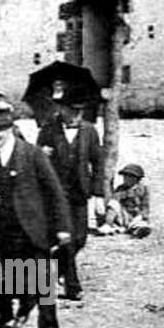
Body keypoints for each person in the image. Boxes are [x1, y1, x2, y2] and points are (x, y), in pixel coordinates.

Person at [0, 96, 71, 328]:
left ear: (10, 130)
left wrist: (62, 227)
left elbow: (55, 192)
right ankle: (18, 309)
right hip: (4, 230)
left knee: (42, 281)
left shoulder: (32, 154)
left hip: (34, 229)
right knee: (11, 277)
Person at [35, 92, 105, 301]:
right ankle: (73, 285)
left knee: (80, 238)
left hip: (79, 191)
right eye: (72, 110)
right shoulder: (48, 130)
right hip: (55, 193)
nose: (76, 115)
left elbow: (98, 163)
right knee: (66, 237)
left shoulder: (90, 131)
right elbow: (36, 160)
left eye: (79, 111)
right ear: (61, 109)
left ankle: (55, 263)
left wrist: (99, 193)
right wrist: (42, 154)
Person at [104, 163, 152, 238]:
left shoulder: (143, 189)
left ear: (136, 178)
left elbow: (145, 206)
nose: (126, 178)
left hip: (136, 216)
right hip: (124, 215)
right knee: (113, 204)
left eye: (129, 176)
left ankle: (137, 230)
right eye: (125, 176)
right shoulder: (121, 188)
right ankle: (108, 225)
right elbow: (115, 200)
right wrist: (124, 195)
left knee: (141, 224)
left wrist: (143, 216)